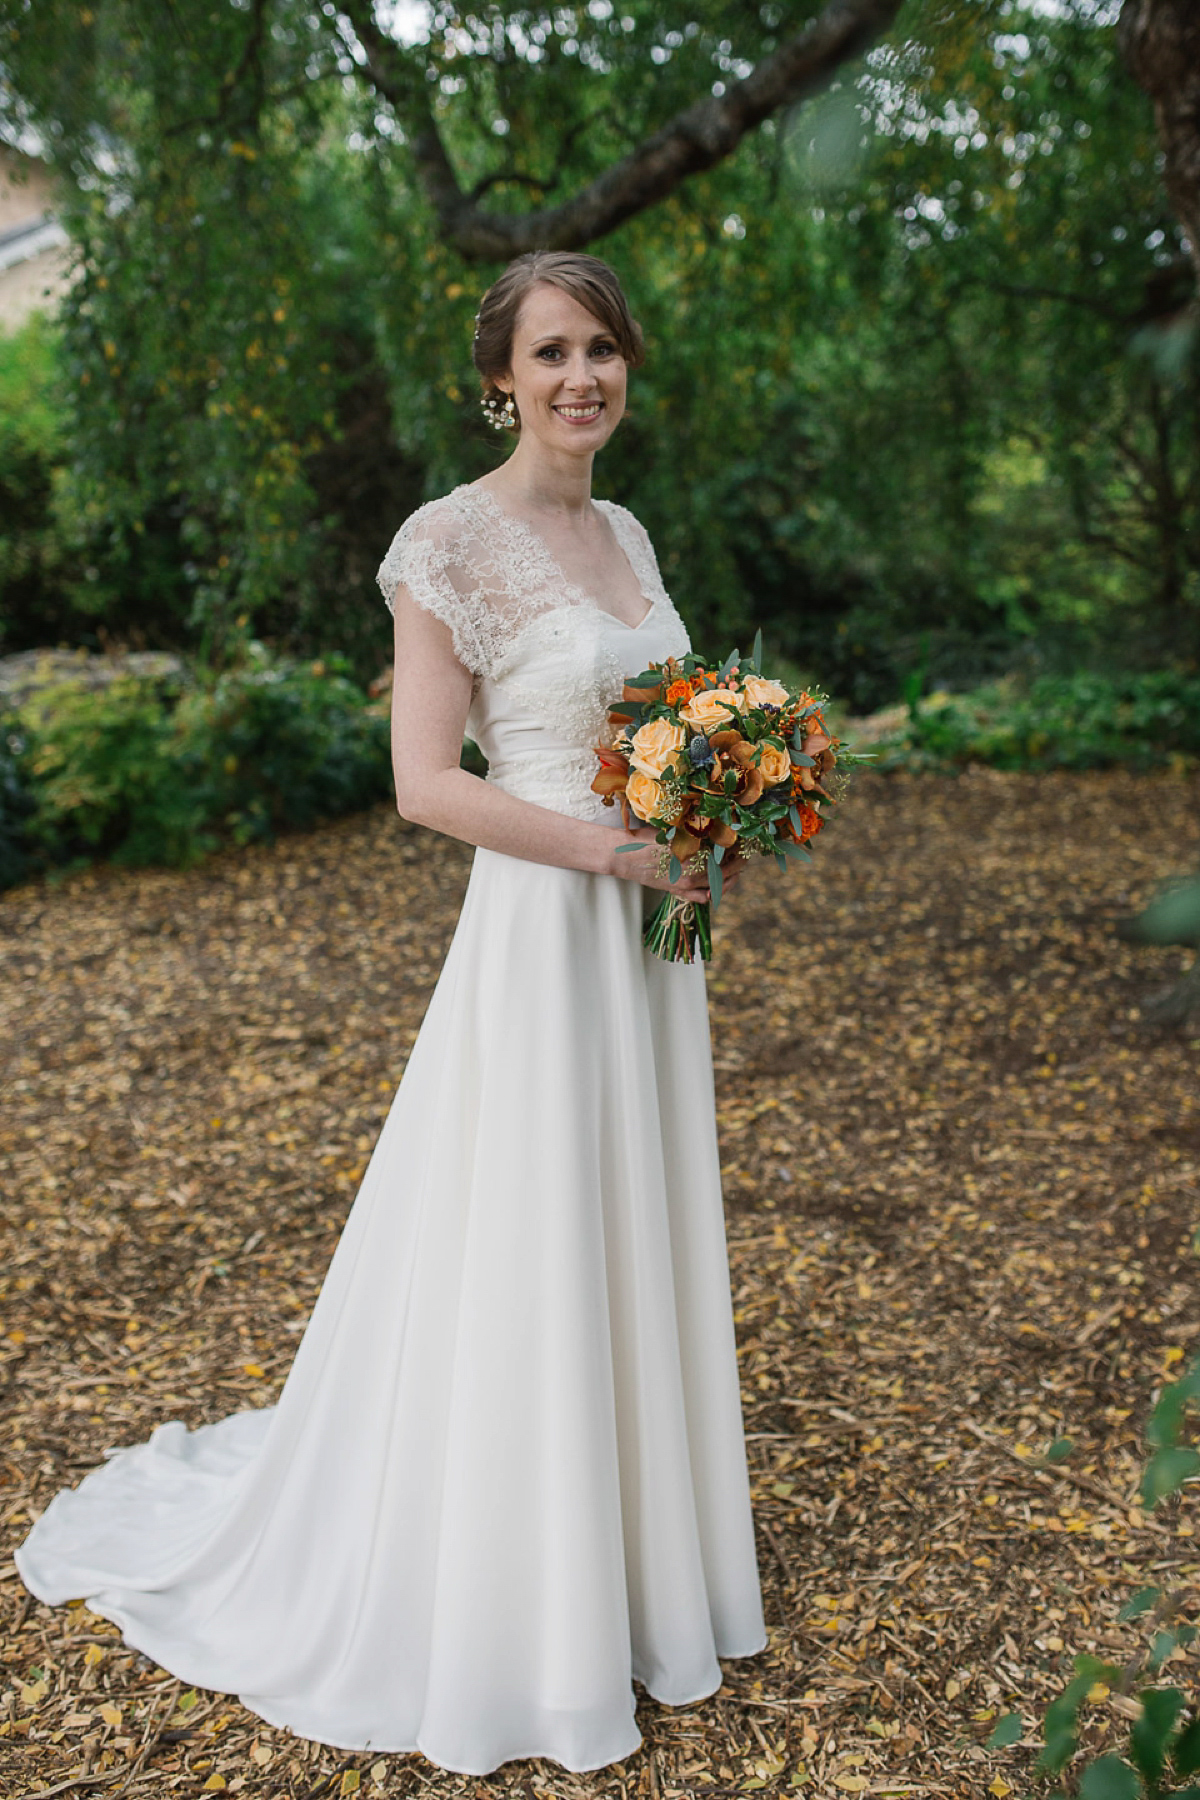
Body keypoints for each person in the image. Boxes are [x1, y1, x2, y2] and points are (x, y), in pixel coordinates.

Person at [15, 250, 767, 1777]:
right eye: (552, 353)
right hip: (548, 927)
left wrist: (716, 808)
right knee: (535, 1227)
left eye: (604, 350)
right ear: (500, 378)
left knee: (631, 1220)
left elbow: (665, 720)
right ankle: (526, 1603)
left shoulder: (624, 528)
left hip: (647, 943)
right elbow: (427, 785)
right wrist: (617, 848)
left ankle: (634, 1564)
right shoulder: (446, 543)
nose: (582, 379)